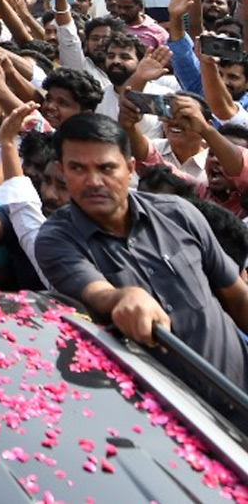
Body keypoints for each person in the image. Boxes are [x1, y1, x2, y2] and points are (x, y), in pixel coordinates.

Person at [35, 114, 248, 404]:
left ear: (130, 167)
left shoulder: (178, 213)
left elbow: (236, 296)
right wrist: (127, 296)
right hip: (169, 420)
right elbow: (99, 293)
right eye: (77, 169)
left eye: (106, 168)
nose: (94, 181)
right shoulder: (56, 239)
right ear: (62, 171)